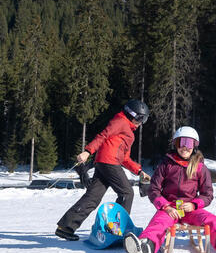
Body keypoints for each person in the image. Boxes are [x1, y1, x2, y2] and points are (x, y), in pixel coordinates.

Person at [123, 126, 216, 253]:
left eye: (188, 143)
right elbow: (154, 189)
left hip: (190, 207)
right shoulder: (166, 164)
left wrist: (194, 205)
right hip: (170, 207)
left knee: (211, 220)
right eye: (181, 143)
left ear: (194, 145)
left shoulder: (200, 167)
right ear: (175, 144)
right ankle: (145, 249)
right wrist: (165, 206)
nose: (184, 147)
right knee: (158, 223)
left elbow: (207, 194)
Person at [56, 100, 151, 241]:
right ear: (133, 115)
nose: (142, 122)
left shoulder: (129, 131)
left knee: (93, 197)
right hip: (109, 162)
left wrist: (139, 171)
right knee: (127, 193)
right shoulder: (121, 121)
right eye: (141, 118)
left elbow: (125, 158)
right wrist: (88, 151)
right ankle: (116, 228)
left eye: (145, 119)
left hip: (106, 162)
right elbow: (103, 135)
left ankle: (66, 227)